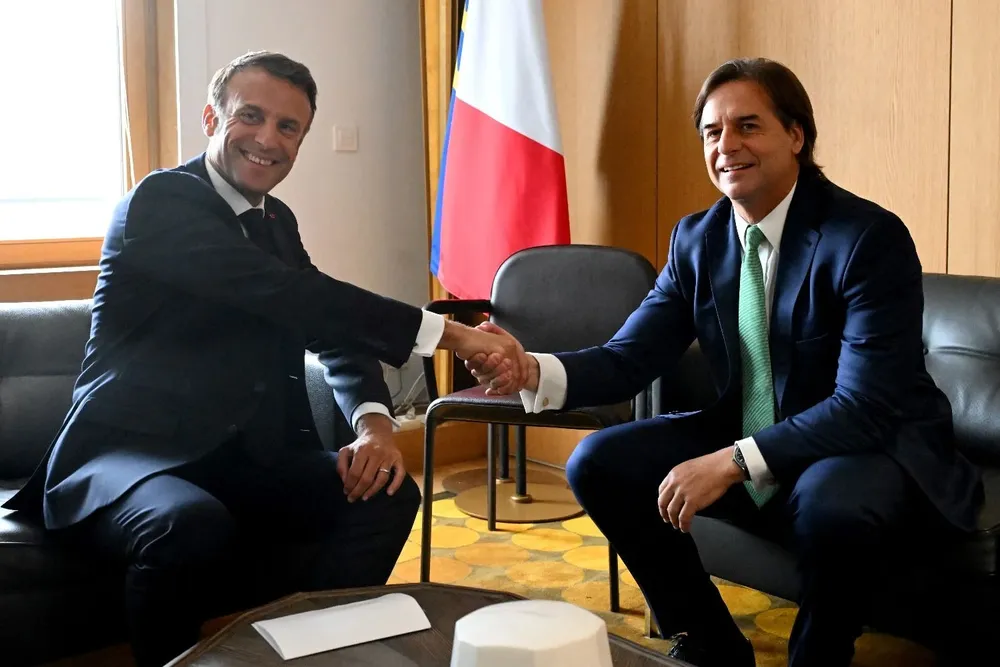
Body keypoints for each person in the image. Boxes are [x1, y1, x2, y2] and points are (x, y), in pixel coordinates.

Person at [2, 51, 522, 667]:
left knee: (387, 492)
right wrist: (452, 335)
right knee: (187, 522)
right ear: (210, 117)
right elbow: (290, 293)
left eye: (288, 127)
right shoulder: (161, 202)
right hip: (128, 454)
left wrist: (374, 424)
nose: (267, 139)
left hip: (243, 456)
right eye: (251, 115)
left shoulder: (277, 221)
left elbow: (327, 327)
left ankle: (313, 650)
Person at [466, 58, 982, 667]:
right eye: (712, 132)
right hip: (758, 427)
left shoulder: (866, 237)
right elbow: (631, 356)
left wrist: (734, 460)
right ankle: (711, 645)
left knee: (830, 506)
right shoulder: (698, 238)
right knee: (598, 462)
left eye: (748, 126)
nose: (727, 145)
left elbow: (865, 405)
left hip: (869, 443)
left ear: (796, 135)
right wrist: (533, 370)